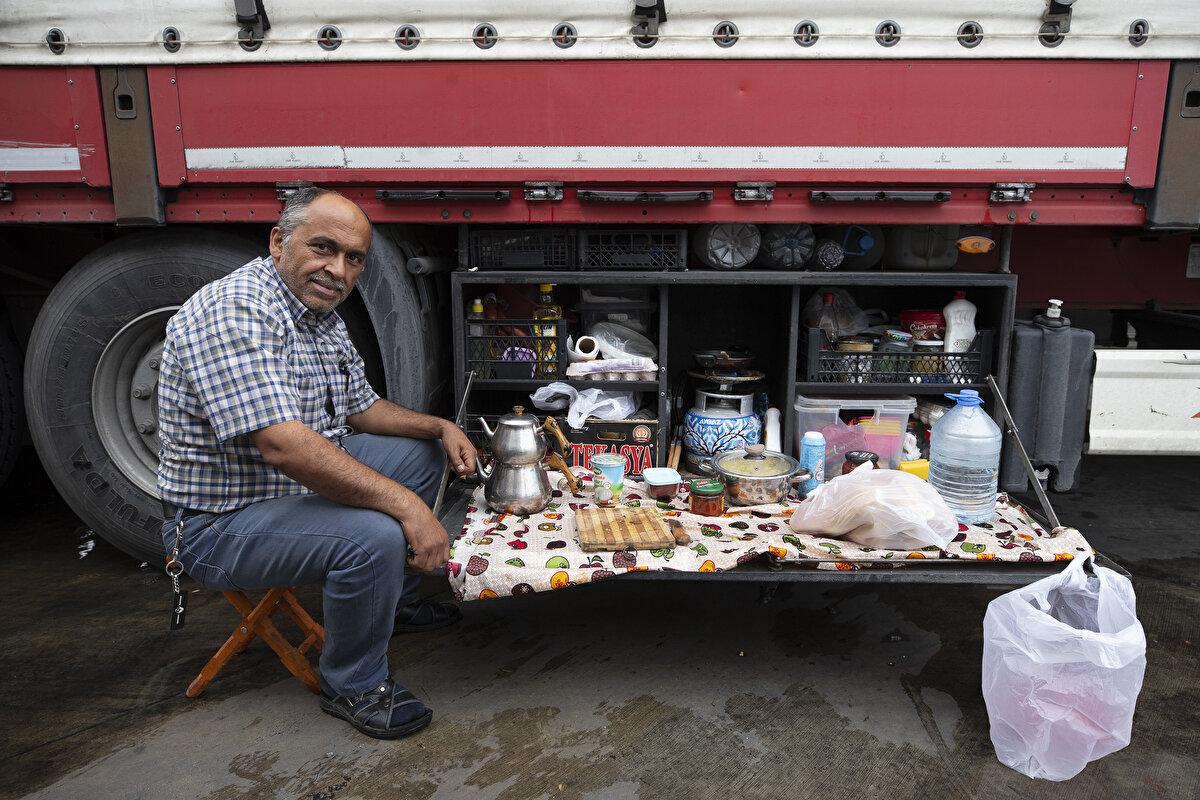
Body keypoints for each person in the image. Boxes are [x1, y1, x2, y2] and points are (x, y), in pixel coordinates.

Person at [156, 186, 475, 739]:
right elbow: (284, 446)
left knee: (422, 455)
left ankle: (393, 605)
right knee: (374, 534)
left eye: (354, 258)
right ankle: (353, 684)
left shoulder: (317, 312)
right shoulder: (235, 310)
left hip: (286, 490)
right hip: (220, 524)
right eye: (323, 248)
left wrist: (439, 426)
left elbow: (361, 408)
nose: (338, 270)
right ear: (279, 242)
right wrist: (407, 508)